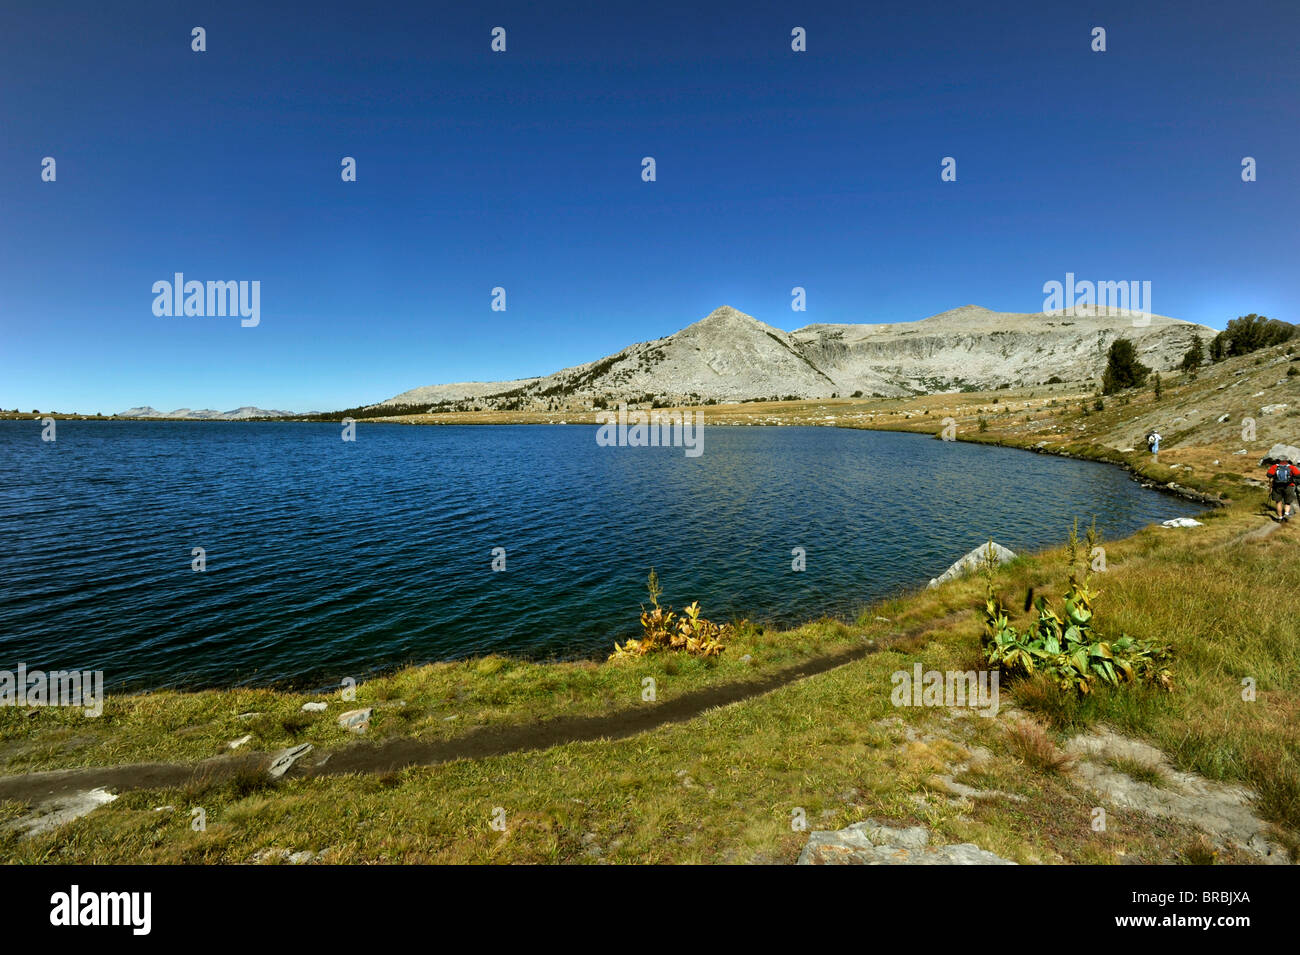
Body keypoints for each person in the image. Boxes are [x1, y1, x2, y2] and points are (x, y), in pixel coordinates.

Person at [1266, 456, 1297, 522]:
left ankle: (1280, 517)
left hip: (1277, 486)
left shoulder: (1274, 467)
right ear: (1287, 460)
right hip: (1288, 486)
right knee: (1287, 502)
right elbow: (1298, 475)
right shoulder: (1291, 467)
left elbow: (1268, 475)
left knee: (1278, 502)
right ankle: (1286, 514)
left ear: (1279, 460)